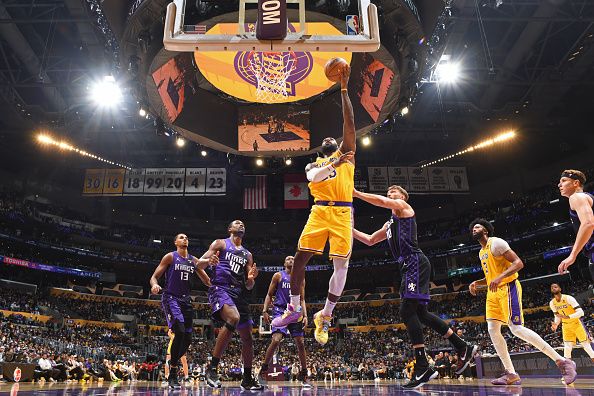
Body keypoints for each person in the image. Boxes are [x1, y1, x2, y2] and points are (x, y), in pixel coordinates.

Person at [352, 185, 477, 389]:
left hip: (414, 261)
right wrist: (347, 228)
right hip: (406, 266)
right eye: (389, 192)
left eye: (394, 191)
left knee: (406, 310)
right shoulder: (389, 223)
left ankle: (422, 366)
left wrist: (356, 194)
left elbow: (382, 202)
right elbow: (369, 240)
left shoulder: (403, 207)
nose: (390, 193)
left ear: (403, 197)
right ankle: (462, 346)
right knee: (421, 314)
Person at [272, 65, 356, 346]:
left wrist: (343, 88)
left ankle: (326, 316)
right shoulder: (315, 163)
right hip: (320, 210)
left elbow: (350, 124)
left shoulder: (349, 155)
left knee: (342, 266)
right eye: (328, 141)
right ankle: (294, 308)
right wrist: (334, 161)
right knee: (299, 258)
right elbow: (313, 176)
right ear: (323, 149)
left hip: (344, 211)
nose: (333, 139)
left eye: (335, 140)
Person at [468, 218, 577, 385]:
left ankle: (562, 361)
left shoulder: (496, 243)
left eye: (477, 227)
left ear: (486, 231)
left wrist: (500, 277)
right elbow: (491, 275)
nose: (474, 229)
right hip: (493, 292)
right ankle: (511, 373)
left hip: (508, 288)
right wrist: (478, 282)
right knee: (492, 330)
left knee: (516, 329)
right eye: (472, 228)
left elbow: (518, 263)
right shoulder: (481, 252)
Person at [200, 220, 263, 391]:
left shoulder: (247, 254)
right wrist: (209, 262)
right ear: (229, 229)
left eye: (243, 223)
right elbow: (198, 264)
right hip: (221, 288)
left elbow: (249, 285)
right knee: (233, 318)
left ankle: (247, 378)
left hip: (240, 294)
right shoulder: (220, 243)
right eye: (237, 223)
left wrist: (251, 279)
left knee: (248, 338)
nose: (241, 224)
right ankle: (212, 369)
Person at [149, 233, 217, 389]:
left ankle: (172, 363)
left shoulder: (193, 261)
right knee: (179, 330)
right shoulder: (170, 257)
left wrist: (216, 276)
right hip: (171, 298)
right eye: (181, 237)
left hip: (186, 301)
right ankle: (172, 372)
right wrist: (154, 285)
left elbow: (207, 280)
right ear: (175, 242)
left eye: (186, 237)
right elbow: (154, 277)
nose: (184, 239)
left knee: (187, 339)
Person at [258, 256, 311, 387]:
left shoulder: (300, 278)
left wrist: (305, 315)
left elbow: (303, 299)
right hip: (280, 310)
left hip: (295, 311)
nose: (291, 260)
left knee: (300, 342)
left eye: (293, 258)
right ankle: (264, 369)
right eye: (288, 258)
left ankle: (303, 374)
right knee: (276, 340)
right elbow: (269, 294)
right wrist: (265, 310)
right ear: (284, 263)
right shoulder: (278, 276)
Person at [557, 170, 594, 277]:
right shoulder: (586, 197)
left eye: (563, 181)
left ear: (576, 183)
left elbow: (588, 224)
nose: (560, 185)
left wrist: (572, 255)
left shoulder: (576, 197)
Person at [550, 283, 594, 363]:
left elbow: (581, 312)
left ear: (560, 289)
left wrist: (568, 317)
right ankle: (568, 370)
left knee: (586, 346)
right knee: (567, 347)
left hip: (576, 323)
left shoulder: (568, 298)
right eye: (552, 287)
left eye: (555, 286)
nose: (553, 288)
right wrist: (556, 324)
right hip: (566, 326)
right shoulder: (552, 303)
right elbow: (557, 316)